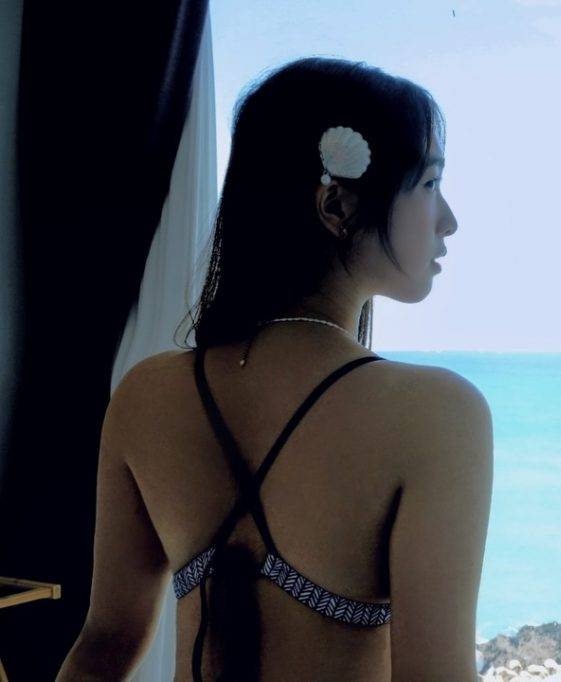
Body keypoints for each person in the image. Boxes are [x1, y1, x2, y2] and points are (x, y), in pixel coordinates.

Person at [56, 56, 493, 681]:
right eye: (428, 184)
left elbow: (103, 647)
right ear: (337, 206)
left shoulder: (146, 395)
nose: (448, 219)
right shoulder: (436, 413)